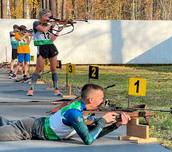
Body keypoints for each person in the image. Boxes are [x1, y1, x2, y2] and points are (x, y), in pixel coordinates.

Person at [0, 83, 130, 145]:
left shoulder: (81, 109)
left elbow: (94, 133)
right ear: (91, 100)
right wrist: (102, 121)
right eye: (101, 97)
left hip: (35, 124)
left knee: (5, 123)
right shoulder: (74, 113)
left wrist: (116, 125)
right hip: (27, 129)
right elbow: (88, 140)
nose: (103, 100)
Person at [27, 9, 64, 96]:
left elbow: (51, 39)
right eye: (47, 16)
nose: (49, 18)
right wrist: (51, 24)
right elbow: (43, 30)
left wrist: (58, 30)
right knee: (38, 69)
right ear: (41, 16)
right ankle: (31, 89)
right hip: (42, 47)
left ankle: (56, 89)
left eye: (50, 16)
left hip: (50, 47)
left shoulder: (48, 25)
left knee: (53, 69)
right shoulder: (36, 23)